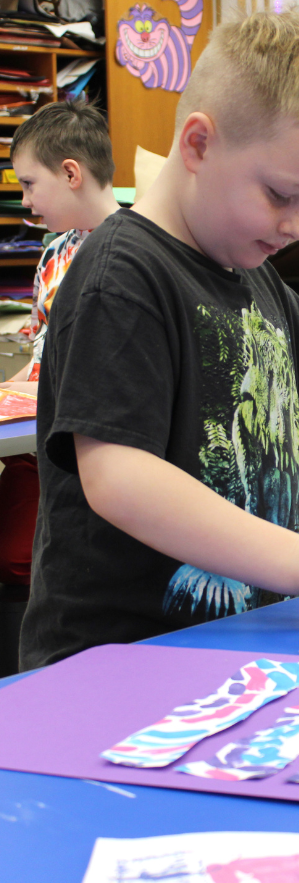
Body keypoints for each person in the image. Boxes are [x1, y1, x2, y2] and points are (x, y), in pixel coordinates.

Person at [19, 8, 299, 671]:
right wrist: (298, 557)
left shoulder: (257, 282)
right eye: (281, 194)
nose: (298, 225)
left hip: (234, 655)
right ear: (197, 145)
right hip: (116, 667)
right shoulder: (121, 276)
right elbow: (118, 477)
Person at [0, 100, 121, 676]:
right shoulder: (54, 252)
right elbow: (37, 345)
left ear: (71, 173)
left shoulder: (132, 254)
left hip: (88, 454)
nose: (23, 201)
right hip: (36, 445)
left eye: (29, 184)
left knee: (20, 554)